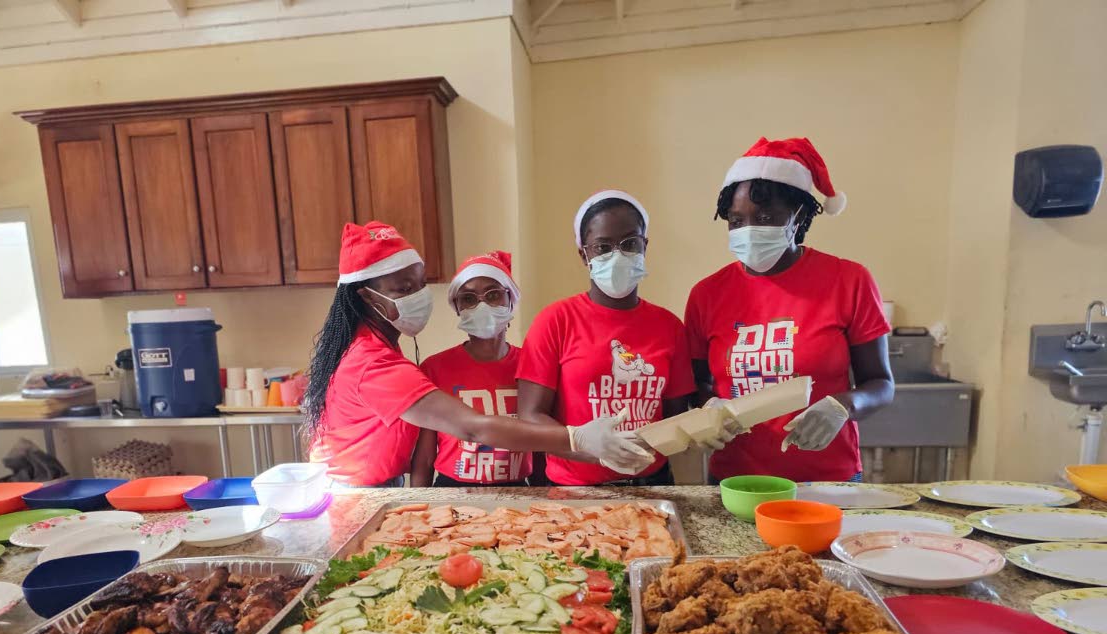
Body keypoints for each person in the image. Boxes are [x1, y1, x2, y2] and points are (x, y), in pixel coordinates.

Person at [303, 222, 653, 487]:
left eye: (421, 284)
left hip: (384, 486)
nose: (419, 296)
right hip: (356, 494)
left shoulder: (379, 347)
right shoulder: (373, 362)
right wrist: (577, 437)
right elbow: (470, 428)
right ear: (368, 298)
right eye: (405, 289)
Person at [684, 137, 894, 483]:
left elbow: (881, 384)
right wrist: (709, 407)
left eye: (764, 217)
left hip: (828, 481)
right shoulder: (707, 294)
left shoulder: (849, 280)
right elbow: (696, 382)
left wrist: (842, 406)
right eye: (736, 221)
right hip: (736, 481)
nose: (749, 230)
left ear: (798, 215)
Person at [517, 190, 718, 486]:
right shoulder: (555, 321)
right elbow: (530, 417)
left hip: (652, 484)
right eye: (603, 247)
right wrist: (588, 447)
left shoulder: (668, 326)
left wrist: (709, 415)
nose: (618, 254)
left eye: (629, 243)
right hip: (575, 491)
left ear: (644, 246)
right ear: (584, 254)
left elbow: (674, 416)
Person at [410, 251, 532, 487]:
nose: (482, 305)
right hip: (451, 489)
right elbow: (424, 456)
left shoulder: (531, 363)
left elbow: (540, 449)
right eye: (468, 298)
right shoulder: (435, 368)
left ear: (511, 301)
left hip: (517, 489)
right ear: (458, 308)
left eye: (493, 294)